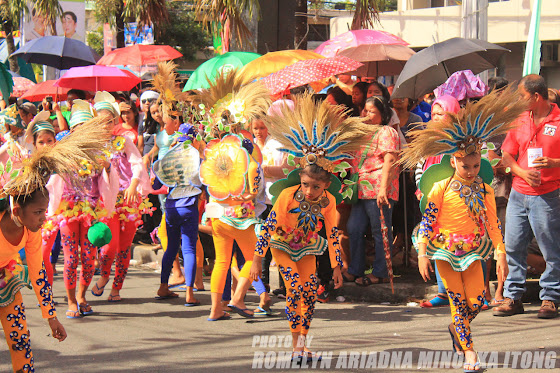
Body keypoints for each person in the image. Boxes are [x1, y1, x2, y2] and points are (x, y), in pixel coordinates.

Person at [403, 87, 526, 372]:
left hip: (474, 250)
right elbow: (428, 221)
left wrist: (500, 253)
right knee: (458, 303)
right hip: (444, 251)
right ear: (453, 161)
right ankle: (470, 353)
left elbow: (493, 223)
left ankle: (456, 329)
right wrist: (422, 253)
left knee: (478, 301)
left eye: (474, 165)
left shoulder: (484, 190)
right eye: (465, 165)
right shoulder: (440, 187)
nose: (470, 170)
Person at [250, 93, 370, 362]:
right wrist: (258, 260)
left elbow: (331, 233)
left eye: (316, 186)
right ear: (299, 178)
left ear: (326, 185)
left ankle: (302, 343)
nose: (310, 190)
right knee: (294, 291)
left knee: (310, 295)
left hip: (308, 249)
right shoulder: (286, 196)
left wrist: (338, 266)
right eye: (306, 184)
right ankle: (296, 347)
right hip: (282, 246)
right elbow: (269, 226)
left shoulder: (328, 202)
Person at [0, 104, 112, 370]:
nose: (43, 218)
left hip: (4, 278)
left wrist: (51, 318)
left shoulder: (31, 231)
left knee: (21, 342)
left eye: (44, 211)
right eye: (38, 212)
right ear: (17, 210)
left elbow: (39, 274)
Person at [194, 68, 269, 321]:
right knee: (254, 256)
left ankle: (215, 310)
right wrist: (251, 191)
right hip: (240, 215)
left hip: (216, 215)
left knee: (221, 263)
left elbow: (204, 177)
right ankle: (237, 298)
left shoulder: (214, 146)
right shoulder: (246, 145)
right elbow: (255, 176)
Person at [43, 101, 118, 318]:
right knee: (70, 259)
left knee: (87, 258)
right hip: (68, 213)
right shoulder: (63, 152)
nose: (81, 131)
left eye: (86, 126)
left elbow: (109, 181)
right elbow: (52, 179)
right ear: (72, 131)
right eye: (78, 127)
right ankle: (71, 300)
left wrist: (107, 167)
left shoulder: (99, 153)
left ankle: (82, 296)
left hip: (92, 214)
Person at [494, 75, 560, 319]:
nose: (518, 101)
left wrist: (554, 162)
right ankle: (513, 297)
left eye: (521, 96)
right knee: (513, 246)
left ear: (536, 97)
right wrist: (521, 172)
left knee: (551, 249)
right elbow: (507, 155)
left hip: (549, 194)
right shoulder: (520, 119)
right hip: (519, 193)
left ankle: (550, 299)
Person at [91, 92, 152, 302]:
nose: (105, 125)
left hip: (129, 200)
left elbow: (137, 163)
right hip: (107, 202)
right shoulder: (92, 146)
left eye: (109, 121)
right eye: (100, 121)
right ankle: (105, 277)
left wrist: (134, 184)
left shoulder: (123, 141)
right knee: (110, 245)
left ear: (114, 121)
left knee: (125, 248)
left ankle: (116, 288)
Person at [347, 96, 400, 286]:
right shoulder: (362, 132)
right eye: (365, 110)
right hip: (361, 189)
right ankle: (355, 269)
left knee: (380, 231)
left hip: (379, 188)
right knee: (354, 228)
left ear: (382, 115)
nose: (366, 114)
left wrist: (383, 188)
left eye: (371, 111)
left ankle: (381, 272)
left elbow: (390, 160)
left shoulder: (386, 131)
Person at [414, 94, 461, 308]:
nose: (435, 118)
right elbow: (419, 166)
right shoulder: (428, 138)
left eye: (441, 114)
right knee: (435, 241)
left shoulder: (462, 139)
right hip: (431, 198)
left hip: (456, 199)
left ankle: (467, 291)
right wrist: (421, 188)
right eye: (433, 114)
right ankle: (443, 292)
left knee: (460, 243)